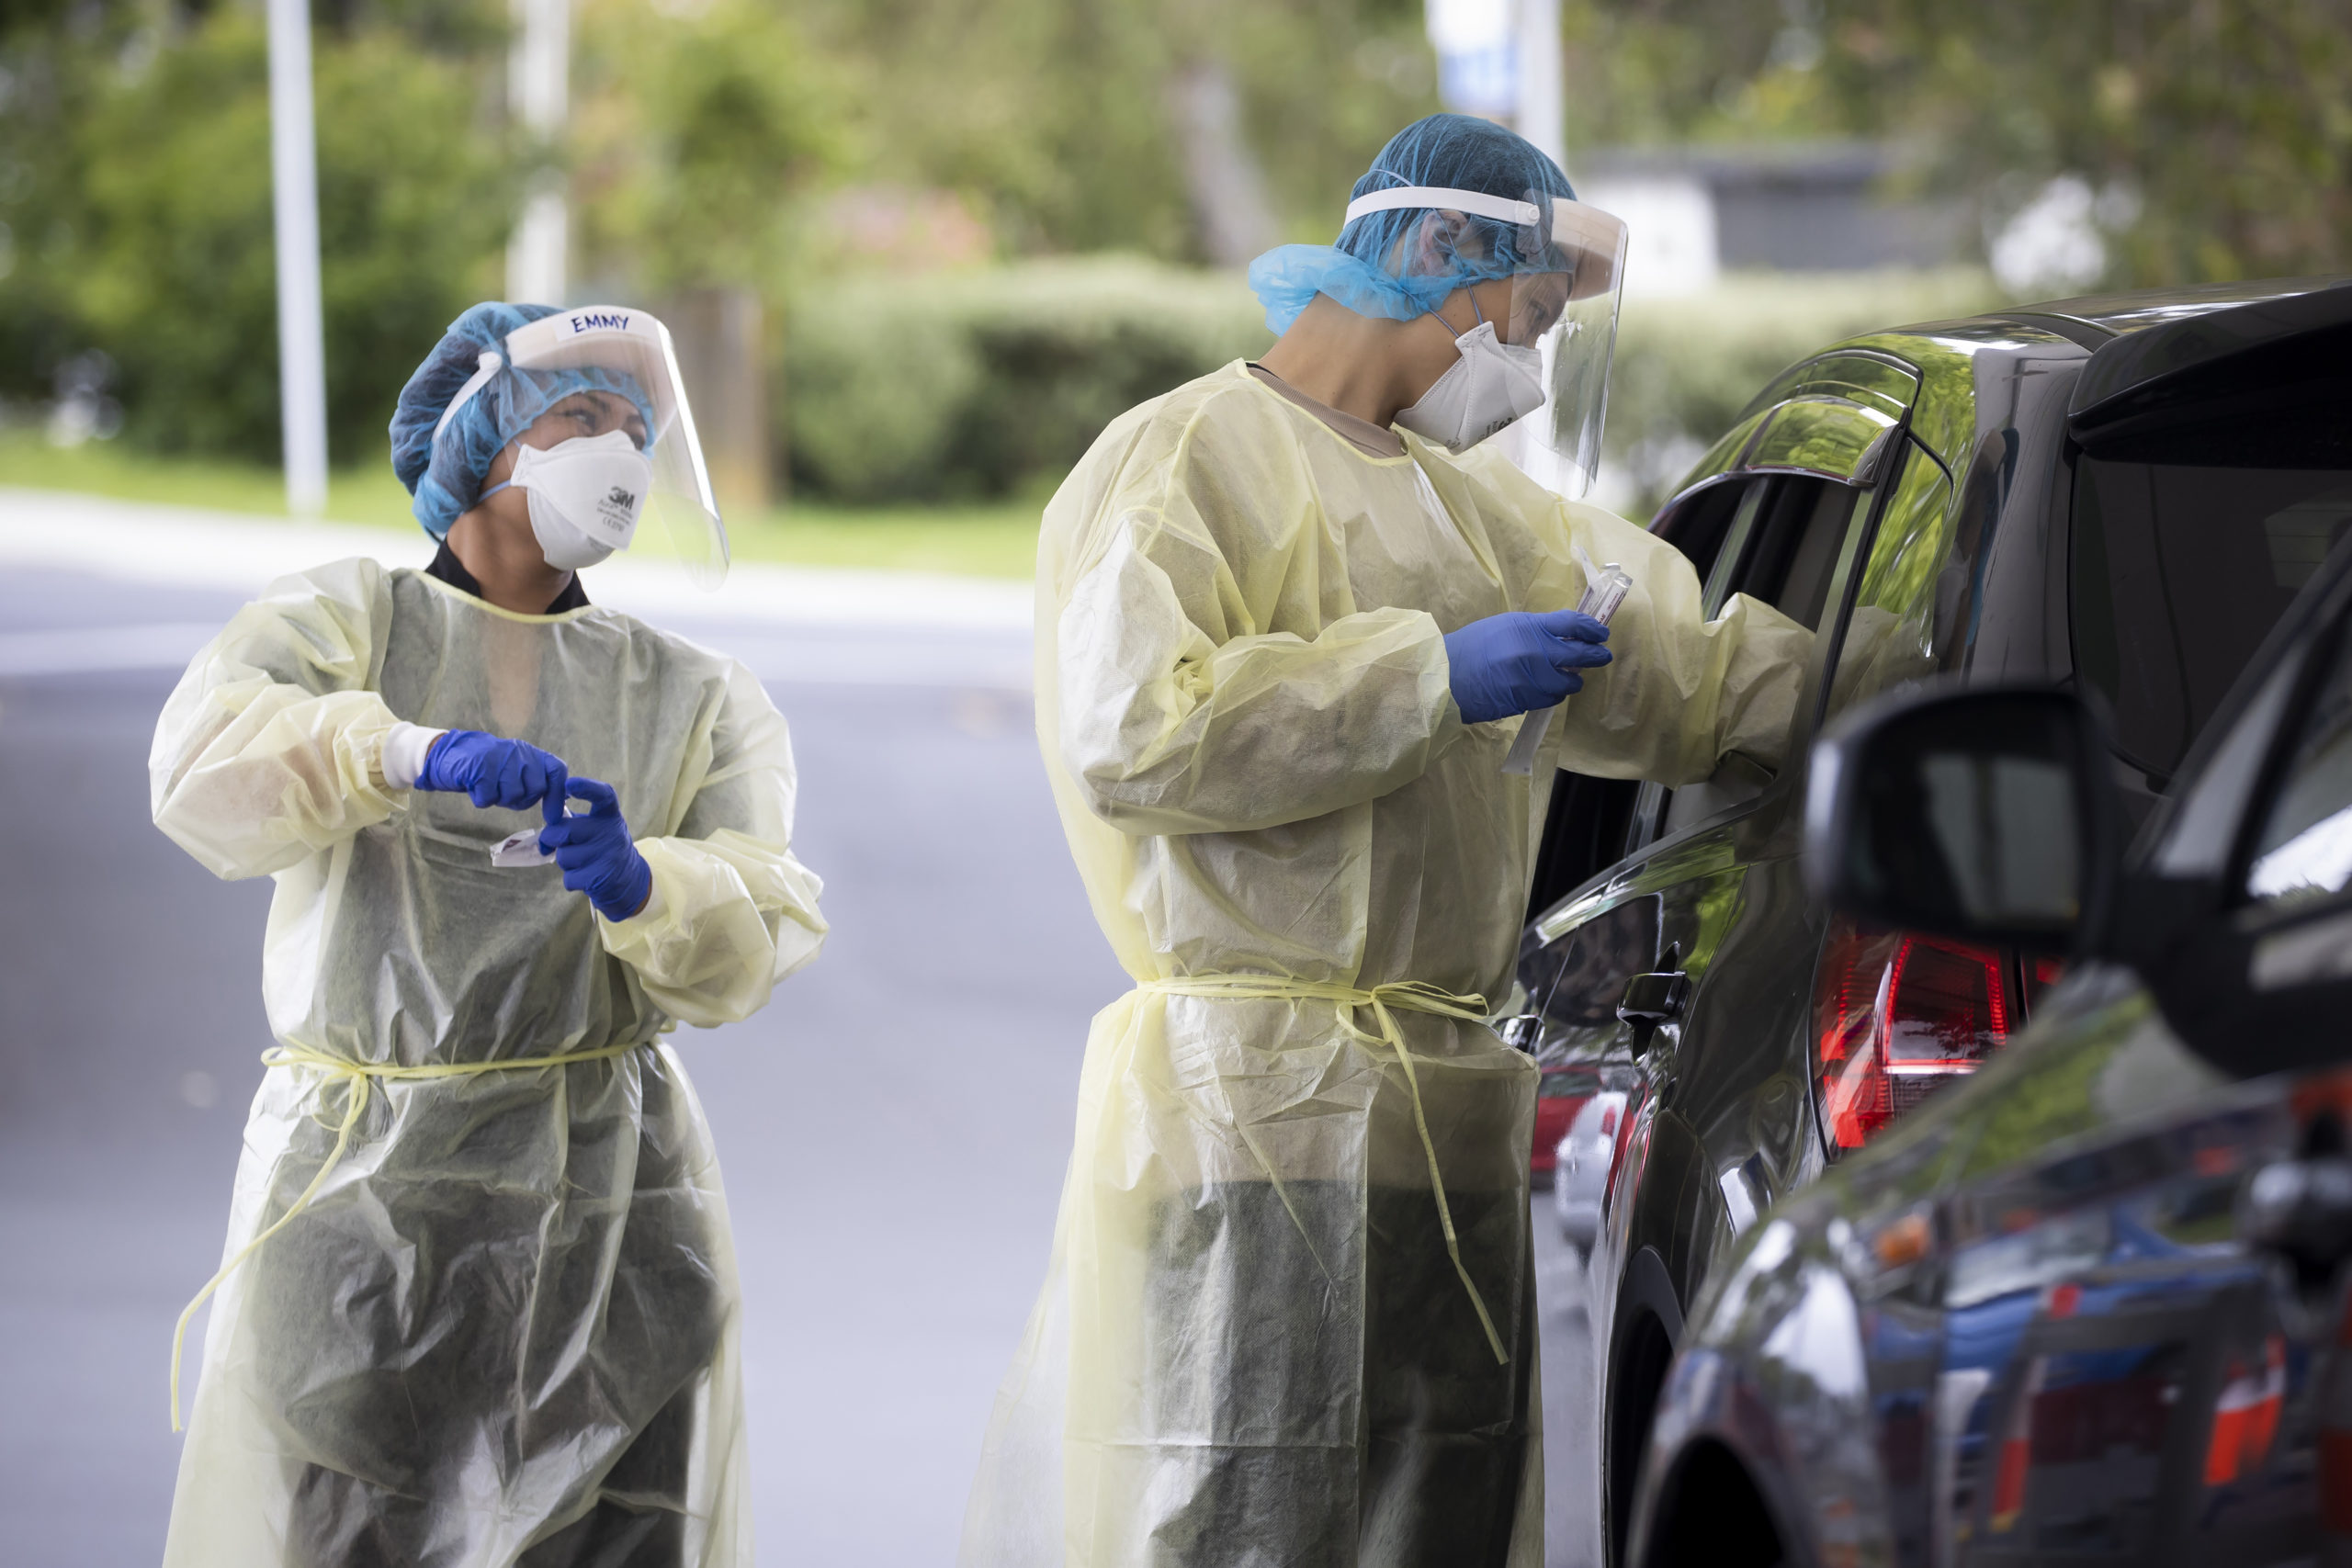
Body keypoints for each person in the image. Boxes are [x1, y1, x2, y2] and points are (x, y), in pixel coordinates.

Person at [960, 115, 1811, 1567]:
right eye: (1528, 316)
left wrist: (1912, 689)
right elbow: (1136, 732)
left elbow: (1693, 673)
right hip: (1253, 1111)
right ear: (1433, 252)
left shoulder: (1472, 507)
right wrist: (1425, 676)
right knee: (1241, 1515)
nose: (1530, 364)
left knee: (1440, 1518)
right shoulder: (1183, 458)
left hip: (1445, 1117)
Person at [151, 301, 827, 1567]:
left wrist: (648, 888)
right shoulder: (350, 627)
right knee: (346, 1535)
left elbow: (764, 915)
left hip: (614, 1211)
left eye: (636, 427)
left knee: (611, 1538)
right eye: (580, 417)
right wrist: (401, 748)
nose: (617, 454)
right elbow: (202, 770)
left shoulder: (694, 695)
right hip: (365, 1210)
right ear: (482, 438)